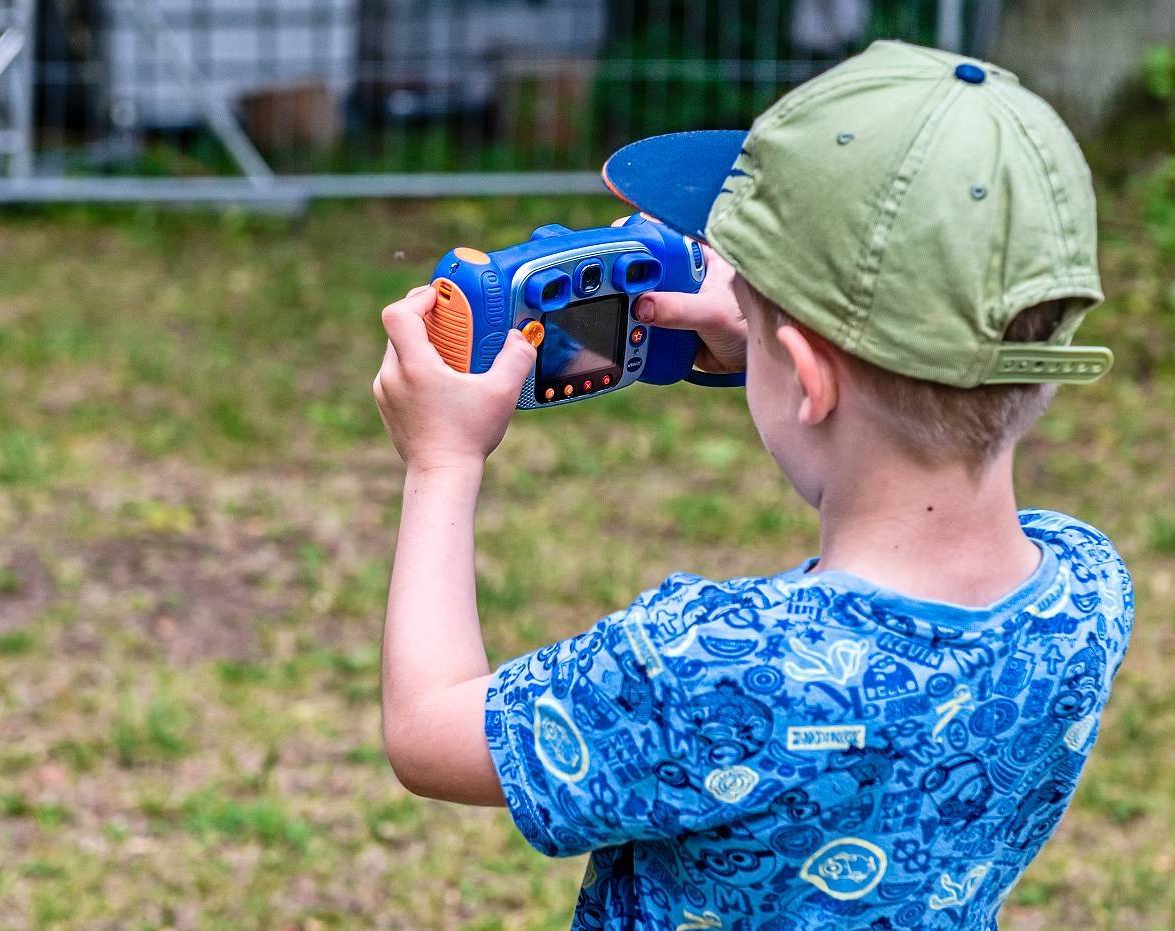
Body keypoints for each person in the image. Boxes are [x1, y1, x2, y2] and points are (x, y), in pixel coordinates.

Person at [371, 40, 1133, 931]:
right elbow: (928, 443)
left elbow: (428, 731)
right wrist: (779, 353)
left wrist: (443, 461)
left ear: (808, 377)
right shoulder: (1087, 591)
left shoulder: (712, 671)